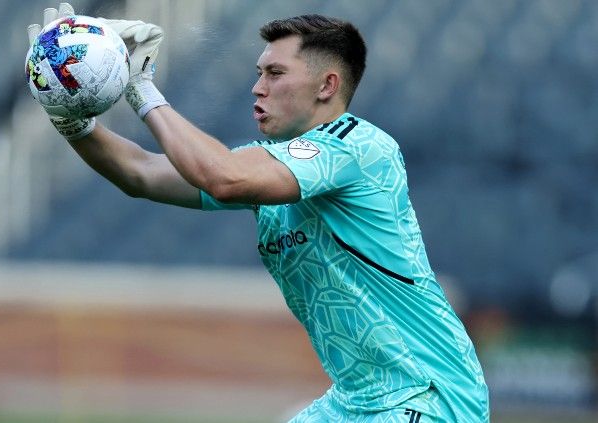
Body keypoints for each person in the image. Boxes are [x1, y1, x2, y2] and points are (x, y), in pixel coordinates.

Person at [28, 3, 489, 422]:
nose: (257, 87)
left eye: (274, 73)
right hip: (357, 399)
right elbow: (142, 173)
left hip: (427, 395)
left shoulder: (360, 147)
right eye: (258, 72)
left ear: (327, 85)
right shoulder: (264, 163)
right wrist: (69, 116)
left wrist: (141, 87)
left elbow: (221, 177)